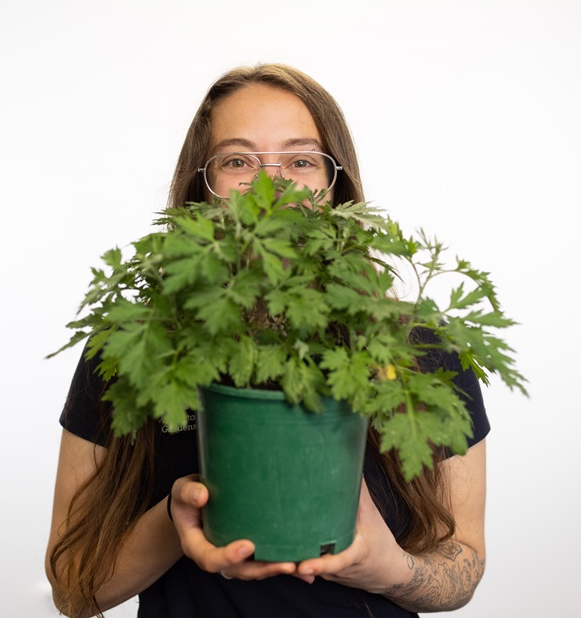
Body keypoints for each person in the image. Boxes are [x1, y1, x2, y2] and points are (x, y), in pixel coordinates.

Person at [46, 64, 490, 618]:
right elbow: (72, 588)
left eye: (300, 160)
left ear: (335, 188)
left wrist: (388, 567)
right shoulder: (135, 341)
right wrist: (173, 521)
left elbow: (464, 563)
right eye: (238, 160)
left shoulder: (417, 347)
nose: (271, 185)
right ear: (201, 188)